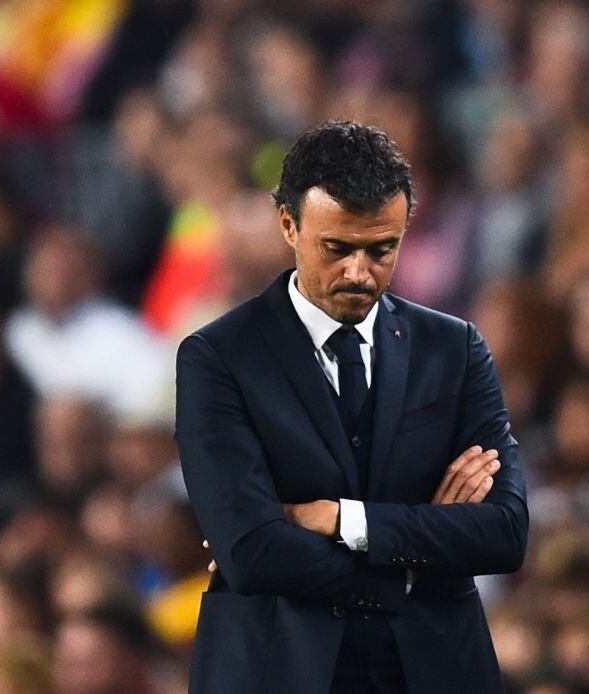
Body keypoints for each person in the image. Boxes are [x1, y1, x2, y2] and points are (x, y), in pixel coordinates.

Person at [175, 121, 529, 693]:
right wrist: (412, 566)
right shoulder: (217, 357)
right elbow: (250, 551)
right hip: (278, 672)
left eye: (381, 249)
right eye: (336, 249)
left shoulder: (455, 348)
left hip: (435, 670)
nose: (359, 273)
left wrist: (346, 520)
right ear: (289, 225)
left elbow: (503, 533)